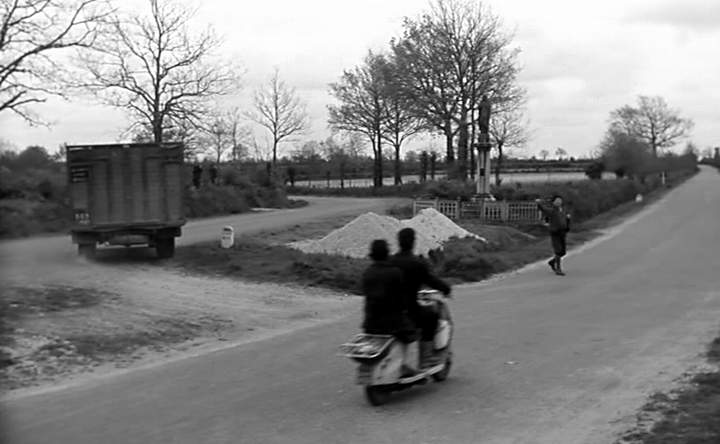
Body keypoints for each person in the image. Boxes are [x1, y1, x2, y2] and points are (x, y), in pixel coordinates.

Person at [390, 228, 451, 369]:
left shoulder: (391, 262)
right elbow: (431, 280)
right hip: (409, 310)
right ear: (413, 242)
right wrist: (446, 288)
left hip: (391, 310)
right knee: (431, 317)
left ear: (398, 242)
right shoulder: (416, 263)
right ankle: (426, 359)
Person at [361, 239, 419, 377]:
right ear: (387, 254)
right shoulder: (395, 273)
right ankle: (404, 364)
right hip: (392, 323)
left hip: (370, 322)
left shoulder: (367, 273)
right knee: (412, 331)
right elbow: (402, 298)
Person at [536, 195, 572, 276]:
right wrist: (539, 204)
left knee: (563, 252)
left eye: (560, 200)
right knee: (558, 251)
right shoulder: (552, 210)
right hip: (555, 232)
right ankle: (558, 269)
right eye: (557, 200)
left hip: (562, 232)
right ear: (553, 202)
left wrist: (568, 225)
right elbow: (543, 209)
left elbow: (566, 219)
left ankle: (552, 262)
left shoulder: (563, 210)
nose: (559, 202)